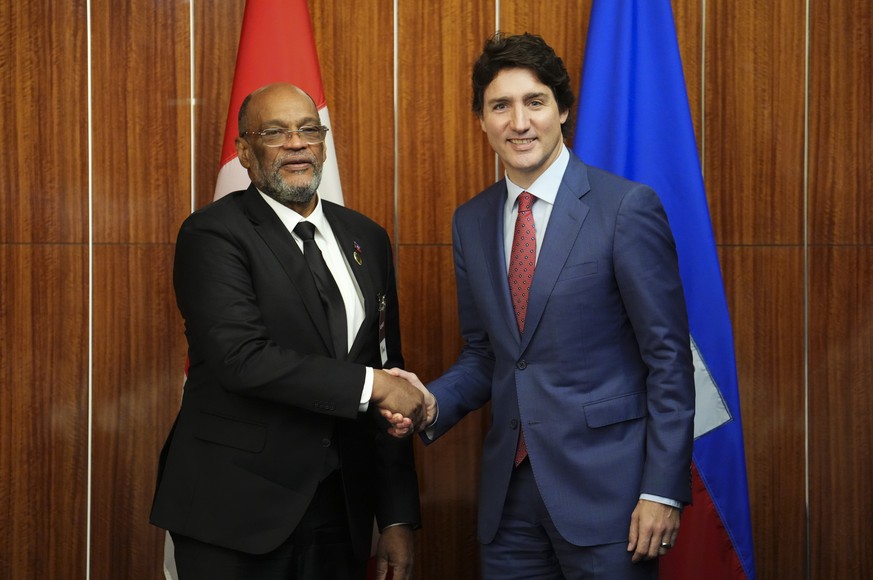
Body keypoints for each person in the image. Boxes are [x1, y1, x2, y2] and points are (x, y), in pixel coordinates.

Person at [402, 32, 696, 579]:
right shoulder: (471, 222)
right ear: (482, 121)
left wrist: (662, 489)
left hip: (613, 501)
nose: (519, 122)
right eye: (500, 106)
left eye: (534, 102)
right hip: (508, 504)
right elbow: (485, 354)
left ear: (562, 110)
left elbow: (669, 361)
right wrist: (429, 403)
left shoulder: (625, 208)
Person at [150, 82, 426, 580]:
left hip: (340, 514)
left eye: (308, 130)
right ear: (244, 152)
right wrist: (374, 385)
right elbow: (243, 358)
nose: (296, 143)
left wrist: (397, 516)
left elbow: (389, 370)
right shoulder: (212, 234)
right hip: (234, 512)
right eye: (275, 132)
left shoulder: (368, 237)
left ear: (323, 143)